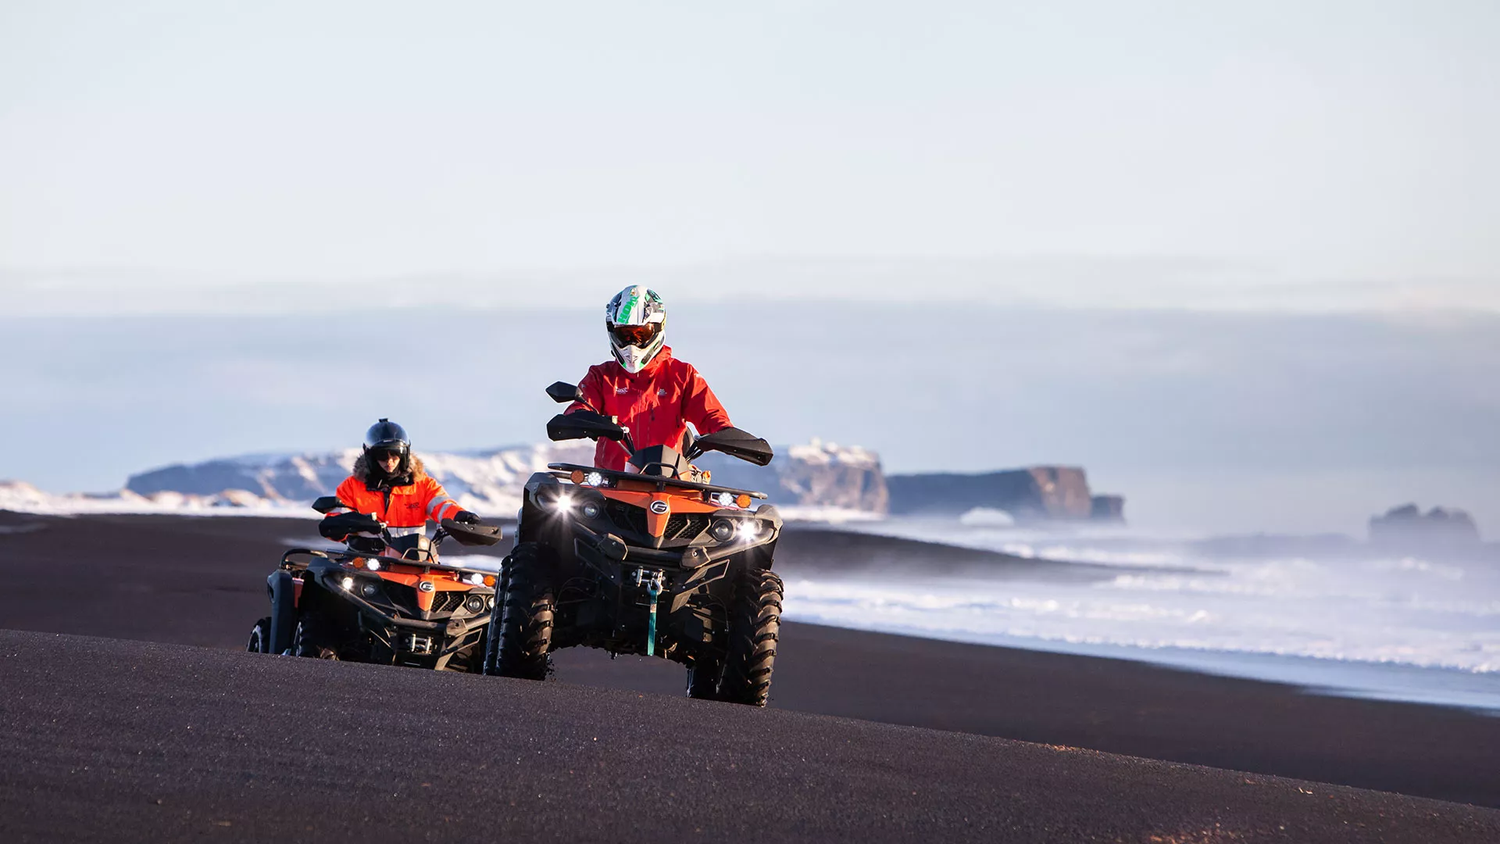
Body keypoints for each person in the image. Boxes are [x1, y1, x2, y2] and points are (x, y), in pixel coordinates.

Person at [567, 286, 733, 471]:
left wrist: (726, 434)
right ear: (612, 331)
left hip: (668, 481)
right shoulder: (601, 376)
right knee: (557, 494)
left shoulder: (682, 375)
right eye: (625, 334)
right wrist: (581, 419)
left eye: (641, 333)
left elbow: (711, 414)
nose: (633, 342)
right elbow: (581, 405)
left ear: (657, 329)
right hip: (611, 483)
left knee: (720, 500)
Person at [319, 418, 479, 542]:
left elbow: (442, 506)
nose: (389, 461)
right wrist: (353, 521)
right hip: (364, 561)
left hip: (413, 560)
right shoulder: (352, 486)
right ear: (371, 458)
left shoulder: (423, 485)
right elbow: (334, 521)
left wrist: (461, 516)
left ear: (404, 456)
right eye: (382, 456)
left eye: (395, 455)